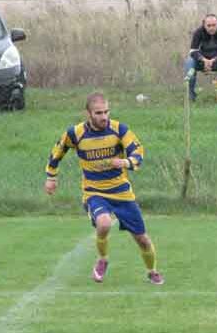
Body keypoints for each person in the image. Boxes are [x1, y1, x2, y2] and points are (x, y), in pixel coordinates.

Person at [44, 93, 164, 285]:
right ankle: (103, 259)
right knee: (104, 223)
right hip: (94, 192)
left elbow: (138, 151)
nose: (104, 117)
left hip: (122, 192)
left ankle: (152, 272)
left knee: (142, 239)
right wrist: (51, 176)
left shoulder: (119, 130)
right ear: (88, 114)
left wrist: (125, 161)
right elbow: (58, 150)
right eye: (98, 113)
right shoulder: (75, 133)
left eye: (106, 112)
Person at [183, 14, 217, 101]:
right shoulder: (198, 32)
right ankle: (190, 96)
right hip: (204, 61)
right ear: (204, 25)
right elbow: (192, 51)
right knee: (189, 61)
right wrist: (204, 60)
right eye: (209, 26)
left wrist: (213, 60)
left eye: (214, 25)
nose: (211, 28)